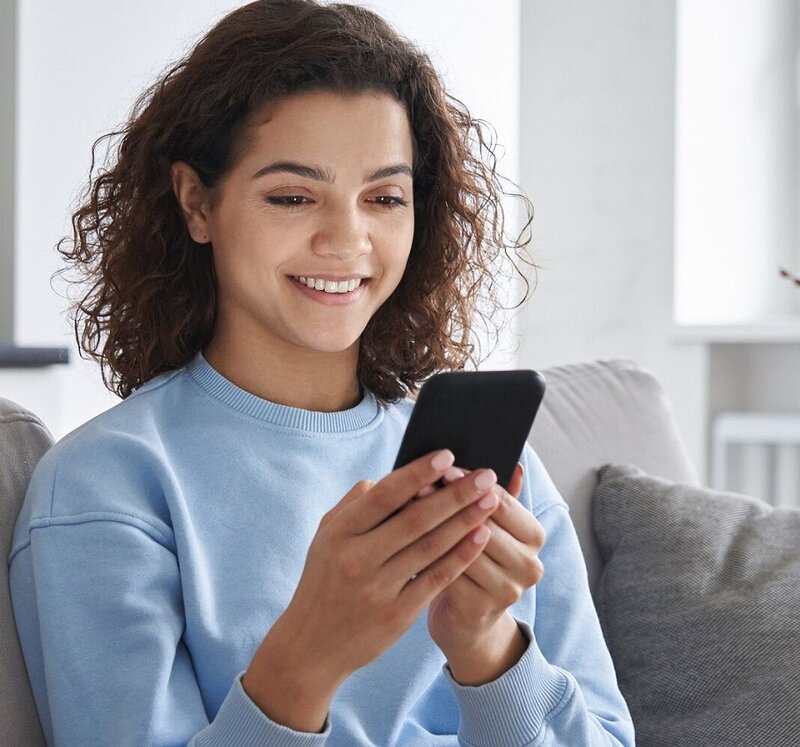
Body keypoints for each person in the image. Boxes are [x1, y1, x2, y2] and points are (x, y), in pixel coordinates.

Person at [8, 1, 635, 745]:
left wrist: (487, 652)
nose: (347, 239)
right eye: (294, 196)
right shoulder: (105, 485)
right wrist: (307, 656)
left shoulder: (492, 474)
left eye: (384, 198)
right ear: (196, 201)